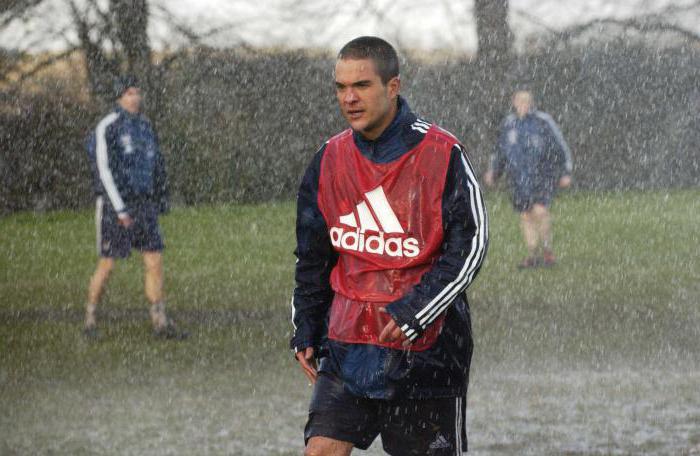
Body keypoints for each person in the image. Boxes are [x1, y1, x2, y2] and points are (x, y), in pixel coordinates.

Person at [290, 36, 488, 455]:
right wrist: (306, 324)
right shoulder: (328, 159)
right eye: (341, 87)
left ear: (393, 87)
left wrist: (416, 310)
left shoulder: (442, 153)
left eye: (361, 85)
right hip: (348, 347)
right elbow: (312, 257)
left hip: (426, 354)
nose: (349, 98)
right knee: (320, 450)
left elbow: (470, 247)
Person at [84, 75, 186, 339]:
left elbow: (157, 164)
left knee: (154, 260)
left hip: (144, 205)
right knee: (107, 264)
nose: (135, 97)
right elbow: (104, 170)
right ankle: (90, 320)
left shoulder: (145, 126)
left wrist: (161, 196)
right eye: (129, 93)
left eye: (137, 92)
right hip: (115, 207)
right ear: (119, 97)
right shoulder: (108, 126)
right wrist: (119, 209)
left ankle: (160, 322)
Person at [484, 89, 572, 268]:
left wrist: (565, 172)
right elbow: (501, 151)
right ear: (514, 102)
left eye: (526, 101)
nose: (522, 104)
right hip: (518, 178)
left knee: (540, 211)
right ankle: (533, 255)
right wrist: (494, 171)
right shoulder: (509, 124)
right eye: (519, 101)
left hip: (542, 175)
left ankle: (547, 252)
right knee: (526, 215)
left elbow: (560, 146)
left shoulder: (543, 121)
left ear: (531, 103)